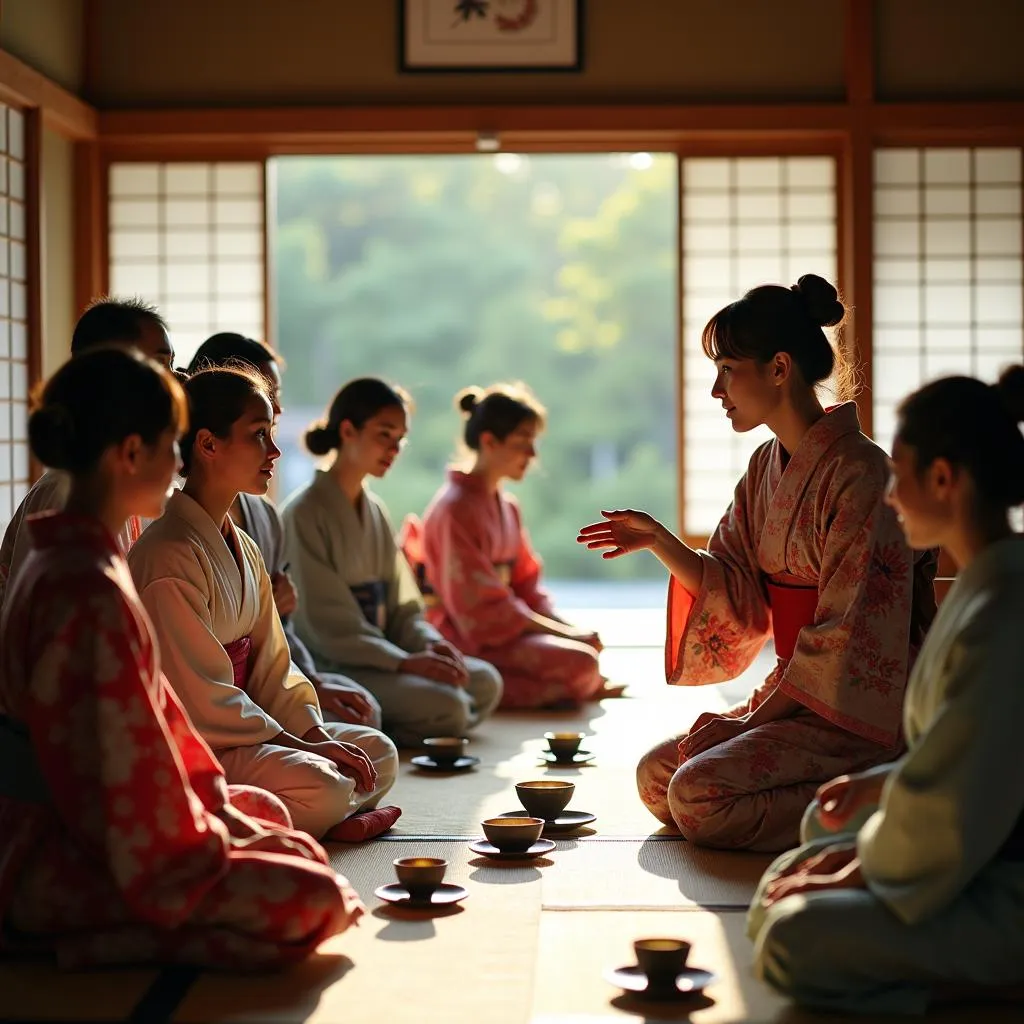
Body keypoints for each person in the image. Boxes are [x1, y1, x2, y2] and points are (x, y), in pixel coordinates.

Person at [0, 347, 362, 969]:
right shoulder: (84, 585)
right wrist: (209, 837)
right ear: (130, 452)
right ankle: (78, 940)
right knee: (315, 896)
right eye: (173, 446)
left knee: (275, 823)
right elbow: (120, 780)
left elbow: (157, 730)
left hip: (124, 814)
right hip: (69, 849)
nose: (178, 466)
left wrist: (226, 811)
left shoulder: (84, 562)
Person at [579, 275, 936, 852]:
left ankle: (885, 793)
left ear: (778, 368)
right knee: (657, 777)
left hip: (855, 712)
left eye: (728, 369)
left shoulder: (863, 475)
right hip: (792, 692)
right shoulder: (764, 468)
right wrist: (661, 542)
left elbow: (848, 637)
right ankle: (844, 804)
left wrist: (749, 723)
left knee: (695, 794)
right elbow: (737, 588)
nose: (718, 390)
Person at [748, 367, 1024, 1015]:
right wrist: (877, 788)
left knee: (792, 939)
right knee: (822, 822)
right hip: (972, 836)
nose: (891, 494)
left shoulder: (1001, 609)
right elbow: (960, 754)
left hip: (1005, 878)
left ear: (943, 480)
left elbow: (954, 802)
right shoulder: (989, 580)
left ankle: (988, 982)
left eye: (899, 474)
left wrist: (856, 871)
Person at [128, 365, 400, 841]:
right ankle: (318, 814)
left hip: (255, 732)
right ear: (208, 445)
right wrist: (303, 748)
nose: (274, 452)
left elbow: (274, 666)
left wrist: (316, 737)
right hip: (205, 741)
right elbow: (202, 699)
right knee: (327, 787)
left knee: (378, 751)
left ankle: (315, 814)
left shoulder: (245, 546)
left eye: (271, 434)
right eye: (258, 435)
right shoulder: (167, 552)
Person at [281, 378, 503, 748]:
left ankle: (416, 718)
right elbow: (329, 626)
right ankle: (390, 726)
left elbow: (403, 606)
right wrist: (403, 662)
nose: (394, 448)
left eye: (400, 438)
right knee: (448, 706)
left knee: (483, 681)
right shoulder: (303, 513)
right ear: (348, 430)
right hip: (338, 663)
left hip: (387, 656)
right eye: (385, 434)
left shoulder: (374, 510)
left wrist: (429, 645)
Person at [186, 333, 382, 731]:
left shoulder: (261, 521)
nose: (274, 406)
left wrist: (311, 684)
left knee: (369, 728)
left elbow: (281, 640)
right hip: (218, 707)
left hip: (277, 677)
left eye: (273, 393)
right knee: (337, 761)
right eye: (260, 395)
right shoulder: (172, 531)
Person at [407, 383, 603, 709]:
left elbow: (527, 586)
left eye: (533, 442)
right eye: (522, 442)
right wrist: (565, 636)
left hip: (506, 632)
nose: (532, 454)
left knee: (586, 655)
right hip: (465, 639)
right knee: (581, 665)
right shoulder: (454, 508)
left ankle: (562, 688)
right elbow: (482, 611)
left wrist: (570, 630)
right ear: (488, 441)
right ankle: (479, 691)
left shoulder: (507, 506)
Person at [0, 297, 174, 611]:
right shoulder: (60, 496)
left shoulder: (123, 485)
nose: (173, 380)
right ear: (109, 369)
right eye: (159, 365)